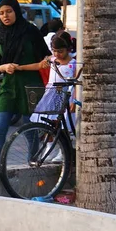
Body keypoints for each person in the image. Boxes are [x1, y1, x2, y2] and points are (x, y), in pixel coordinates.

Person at [0, 0, 51, 167]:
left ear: (16, 11)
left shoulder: (30, 31)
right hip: (8, 86)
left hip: (31, 85)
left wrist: (25, 66)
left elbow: (46, 58)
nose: (5, 16)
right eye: (1, 13)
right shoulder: (0, 34)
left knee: (30, 130)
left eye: (9, 11)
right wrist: (5, 67)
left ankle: (32, 163)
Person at [31, 31, 77, 162]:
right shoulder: (51, 59)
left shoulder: (73, 64)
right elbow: (38, 65)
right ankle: (50, 147)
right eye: (54, 50)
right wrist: (20, 68)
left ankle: (64, 151)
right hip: (51, 95)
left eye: (60, 51)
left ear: (68, 49)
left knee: (63, 124)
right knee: (48, 121)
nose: (57, 54)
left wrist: (74, 99)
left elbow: (76, 83)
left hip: (66, 96)